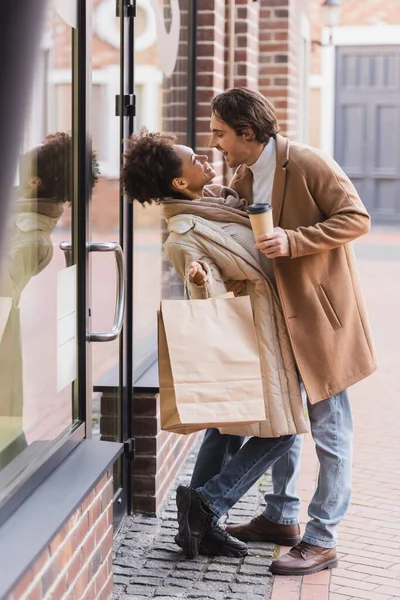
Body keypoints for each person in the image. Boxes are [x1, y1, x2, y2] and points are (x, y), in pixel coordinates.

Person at [198, 87, 376, 576]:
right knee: (285, 421)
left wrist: (293, 241)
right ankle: (281, 516)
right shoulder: (244, 170)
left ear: (247, 133)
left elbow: (356, 218)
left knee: (329, 429)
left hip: (320, 319)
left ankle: (323, 538)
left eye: (219, 133)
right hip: (277, 320)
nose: (215, 142)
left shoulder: (309, 162)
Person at [121, 129, 309, 560]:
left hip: (265, 328)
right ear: (180, 184)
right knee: (284, 431)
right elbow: (203, 280)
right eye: (193, 158)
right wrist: (201, 280)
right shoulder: (184, 232)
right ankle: (208, 506)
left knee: (225, 431)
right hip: (252, 335)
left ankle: (198, 530)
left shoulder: (219, 204)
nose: (204, 157)